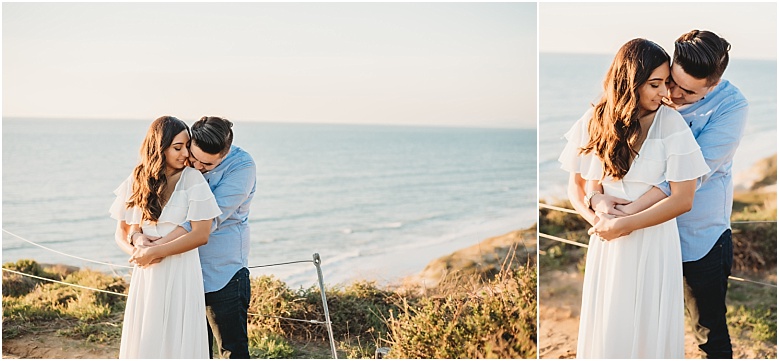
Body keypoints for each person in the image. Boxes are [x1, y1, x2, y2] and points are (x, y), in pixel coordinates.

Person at [589, 30, 748, 358]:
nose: (672, 93)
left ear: (712, 86)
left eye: (687, 91)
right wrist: (598, 199)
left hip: (698, 238)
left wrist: (623, 214)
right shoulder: (654, 94)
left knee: (708, 331)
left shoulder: (732, 108)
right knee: (642, 324)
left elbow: (688, 179)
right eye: (670, 81)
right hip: (642, 239)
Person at [558, 38, 710, 358]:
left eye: (666, 84)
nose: (665, 93)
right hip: (608, 241)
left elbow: (683, 199)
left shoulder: (671, 124)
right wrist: (598, 217)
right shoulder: (594, 120)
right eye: (655, 84)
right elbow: (576, 187)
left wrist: (626, 224)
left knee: (647, 329)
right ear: (631, 81)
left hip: (653, 239)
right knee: (610, 320)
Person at [131, 116, 257, 358]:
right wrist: (138, 235)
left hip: (222, 273)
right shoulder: (184, 157)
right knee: (192, 349)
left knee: (232, 350)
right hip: (181, 271)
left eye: (207, 165)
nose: (197, 167)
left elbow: (208, 222)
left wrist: (155, 247)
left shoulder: (242, 168)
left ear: (225, 153)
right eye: (194, 158)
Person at [110, 115, 221, 358]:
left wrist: (154, 251)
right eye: (177, 147)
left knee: (177, 339)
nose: (184, 154)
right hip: (147, 272)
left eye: (186, 146)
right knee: (147, 336)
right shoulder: (138, 178)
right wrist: (138, 250)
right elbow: (122, 233)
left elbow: (201, 235)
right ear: (159, 148)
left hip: (181, 269)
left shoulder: (192, 179)